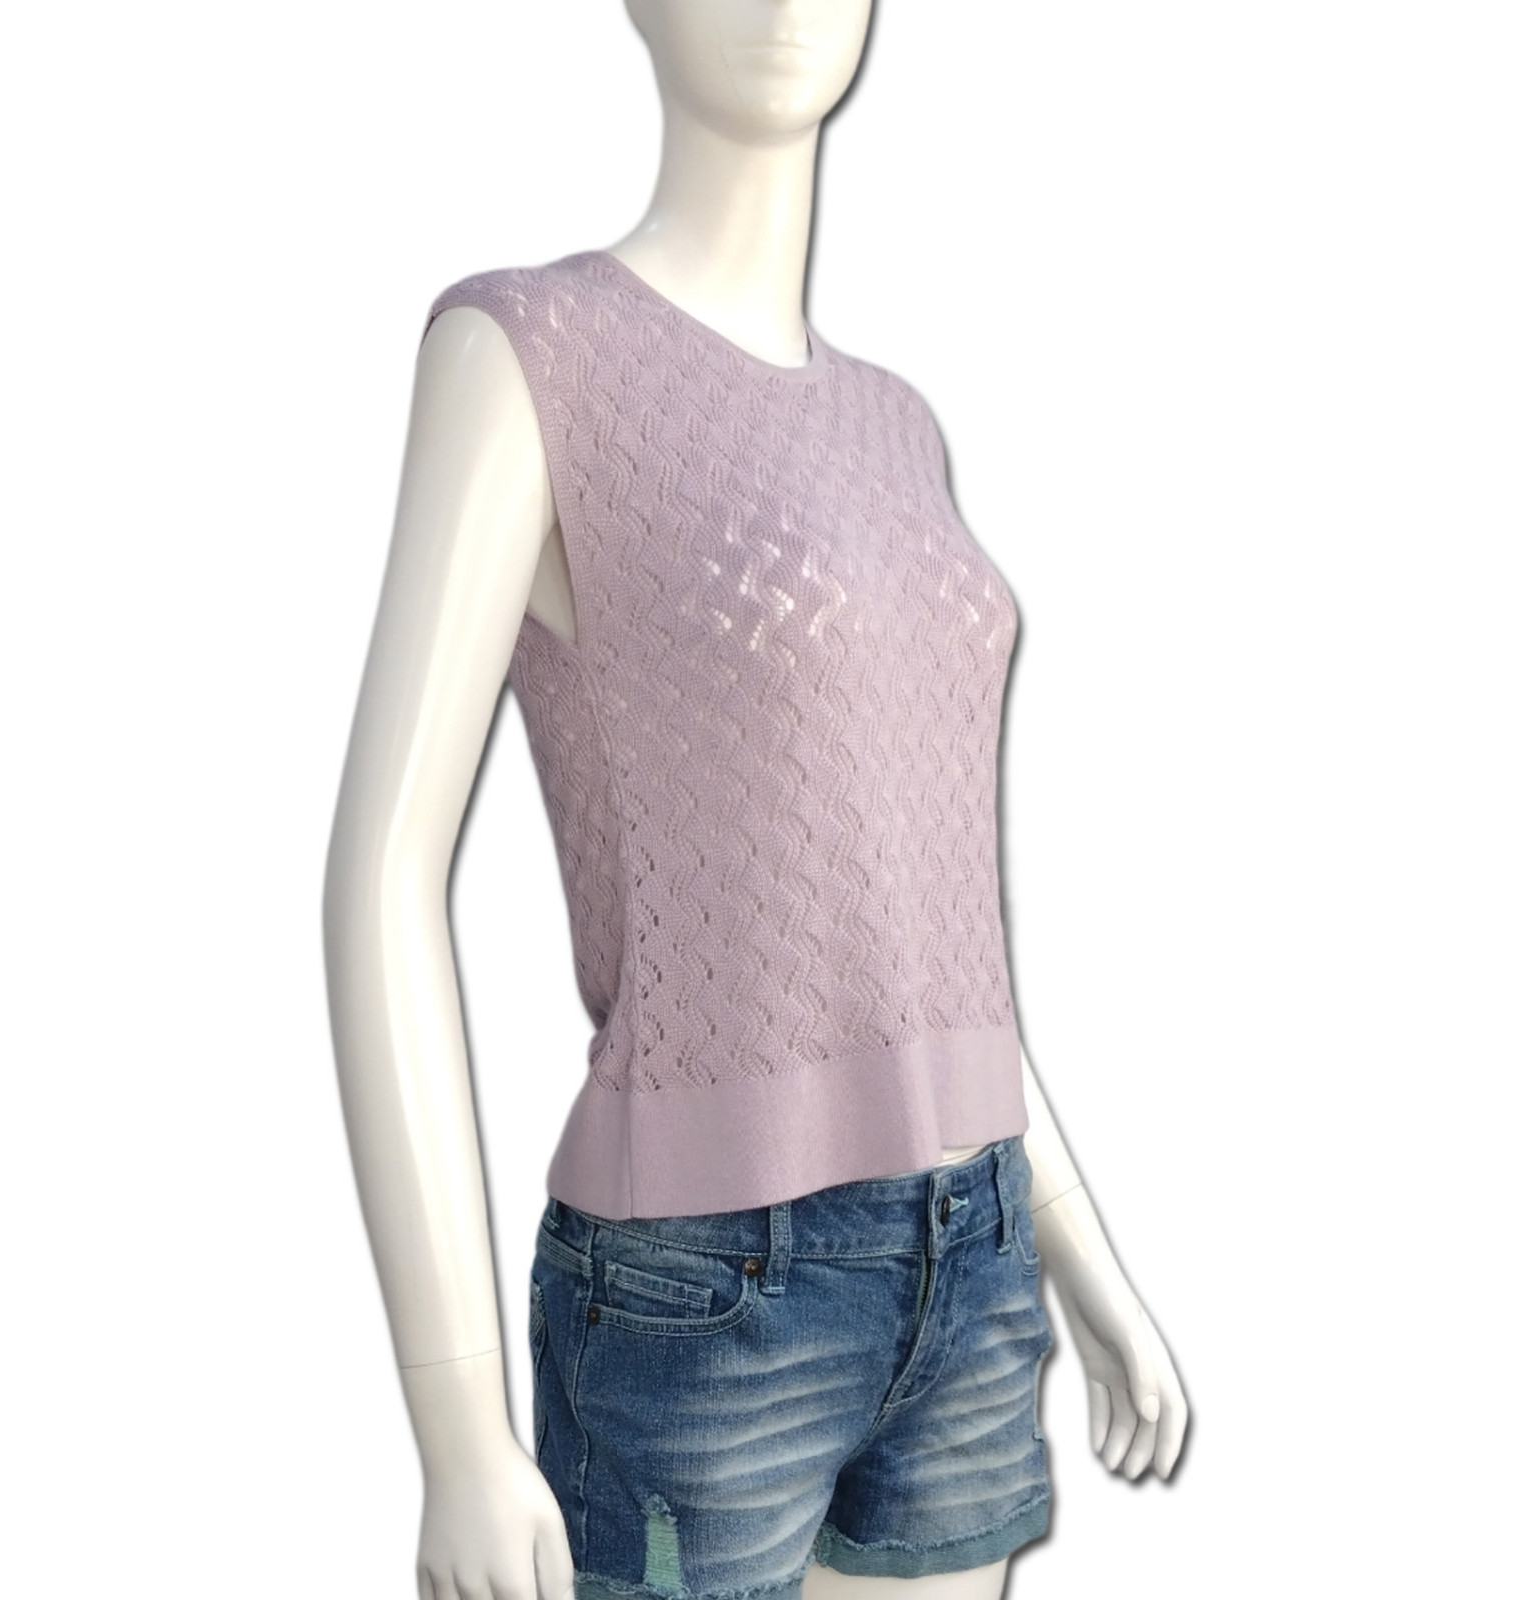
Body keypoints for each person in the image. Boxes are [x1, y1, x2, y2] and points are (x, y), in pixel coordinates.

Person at [323, 6, 1188, 1599]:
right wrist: (456, 1428)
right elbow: (383, 876)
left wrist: (1085, 1256)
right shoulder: (530, 352)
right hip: (709, 1294)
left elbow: (933, 929)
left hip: (978, 1256)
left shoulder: (896, 423)